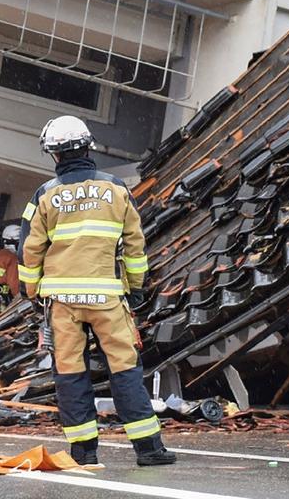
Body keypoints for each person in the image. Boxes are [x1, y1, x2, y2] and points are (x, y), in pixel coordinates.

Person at [20, 116, 175, 467]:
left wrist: (33, 293)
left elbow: (29, 250)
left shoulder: (44, 195)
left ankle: (84, 453)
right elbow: (136, 245)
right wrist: (135, 289)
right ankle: (149, 450)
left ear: (54, 154)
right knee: (124, 370)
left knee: (71, 375)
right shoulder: (116, 189)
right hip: (107, 299)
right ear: (88, 146)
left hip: (62, 303)